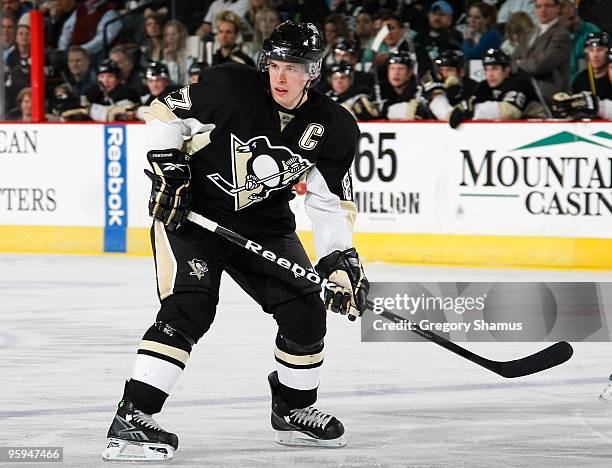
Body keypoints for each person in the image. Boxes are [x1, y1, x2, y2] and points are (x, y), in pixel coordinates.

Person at [101, 20, 370, 462]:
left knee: (305, 311)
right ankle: (133, 415)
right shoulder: (231, 87)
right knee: (190, 306)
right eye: (276, 65)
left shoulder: (334, 126)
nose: (281, 77)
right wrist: (169, 163)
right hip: (192, 217)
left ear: (314, 71)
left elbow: (327, 203)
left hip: (264, 226)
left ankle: (293, 408)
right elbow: (164, 111)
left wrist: (339, 260)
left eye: (294, 67)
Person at [449, 48, 546, 128]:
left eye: (494, 69)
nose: (490, 74)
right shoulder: (484, 85)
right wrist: (462, 108)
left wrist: (472, 111)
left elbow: (509, 112)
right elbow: (467, 103)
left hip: (539, 129)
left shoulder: (519, 83)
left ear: (507, 70)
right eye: (487, 69)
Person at [512, 0, 572, 103]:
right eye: (539, 6)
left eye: (548, 5)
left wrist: (520, 62)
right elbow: (512, 62)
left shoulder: (562, 35)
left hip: (548, 99)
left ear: (557, 8)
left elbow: (539, 66)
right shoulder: (527, 34)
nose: (543, 10)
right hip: (524, 94)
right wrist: (530, 62)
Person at [552, 32, 612, 119]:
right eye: (591, 50)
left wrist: (598, 106)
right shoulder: (582, 79)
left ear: (607, 53)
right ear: (586, 53)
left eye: (600, 50)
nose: (595, 55)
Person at [414, 0, 462, 74]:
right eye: (434, 14)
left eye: (441, 14)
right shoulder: (420, 37)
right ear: (429, 15)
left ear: (450, 18)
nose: (437, 18)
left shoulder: (455, 37)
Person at [559, 0, 600, 82]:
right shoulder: (552, 36)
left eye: (576, 15)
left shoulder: (591, 32)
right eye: (570, 19)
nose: (577, 20)